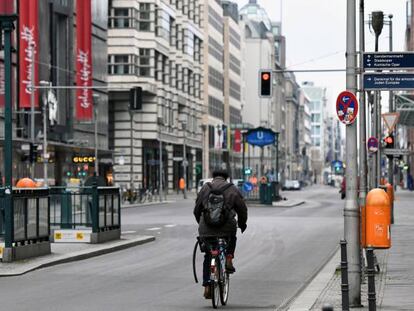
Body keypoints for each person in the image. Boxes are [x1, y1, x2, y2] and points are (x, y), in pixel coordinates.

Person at [194, 169, 248, 299]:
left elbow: (196, 209)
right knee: (231, 238)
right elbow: (242, 210)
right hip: (227, 227)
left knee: (208, 255)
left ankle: (207, 285)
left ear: (213, 177)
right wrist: (242, 224)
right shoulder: (232, 189)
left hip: (206, 228)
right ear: (226, 177)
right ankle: (229, 258)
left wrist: (201, 223)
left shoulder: (205, 188)